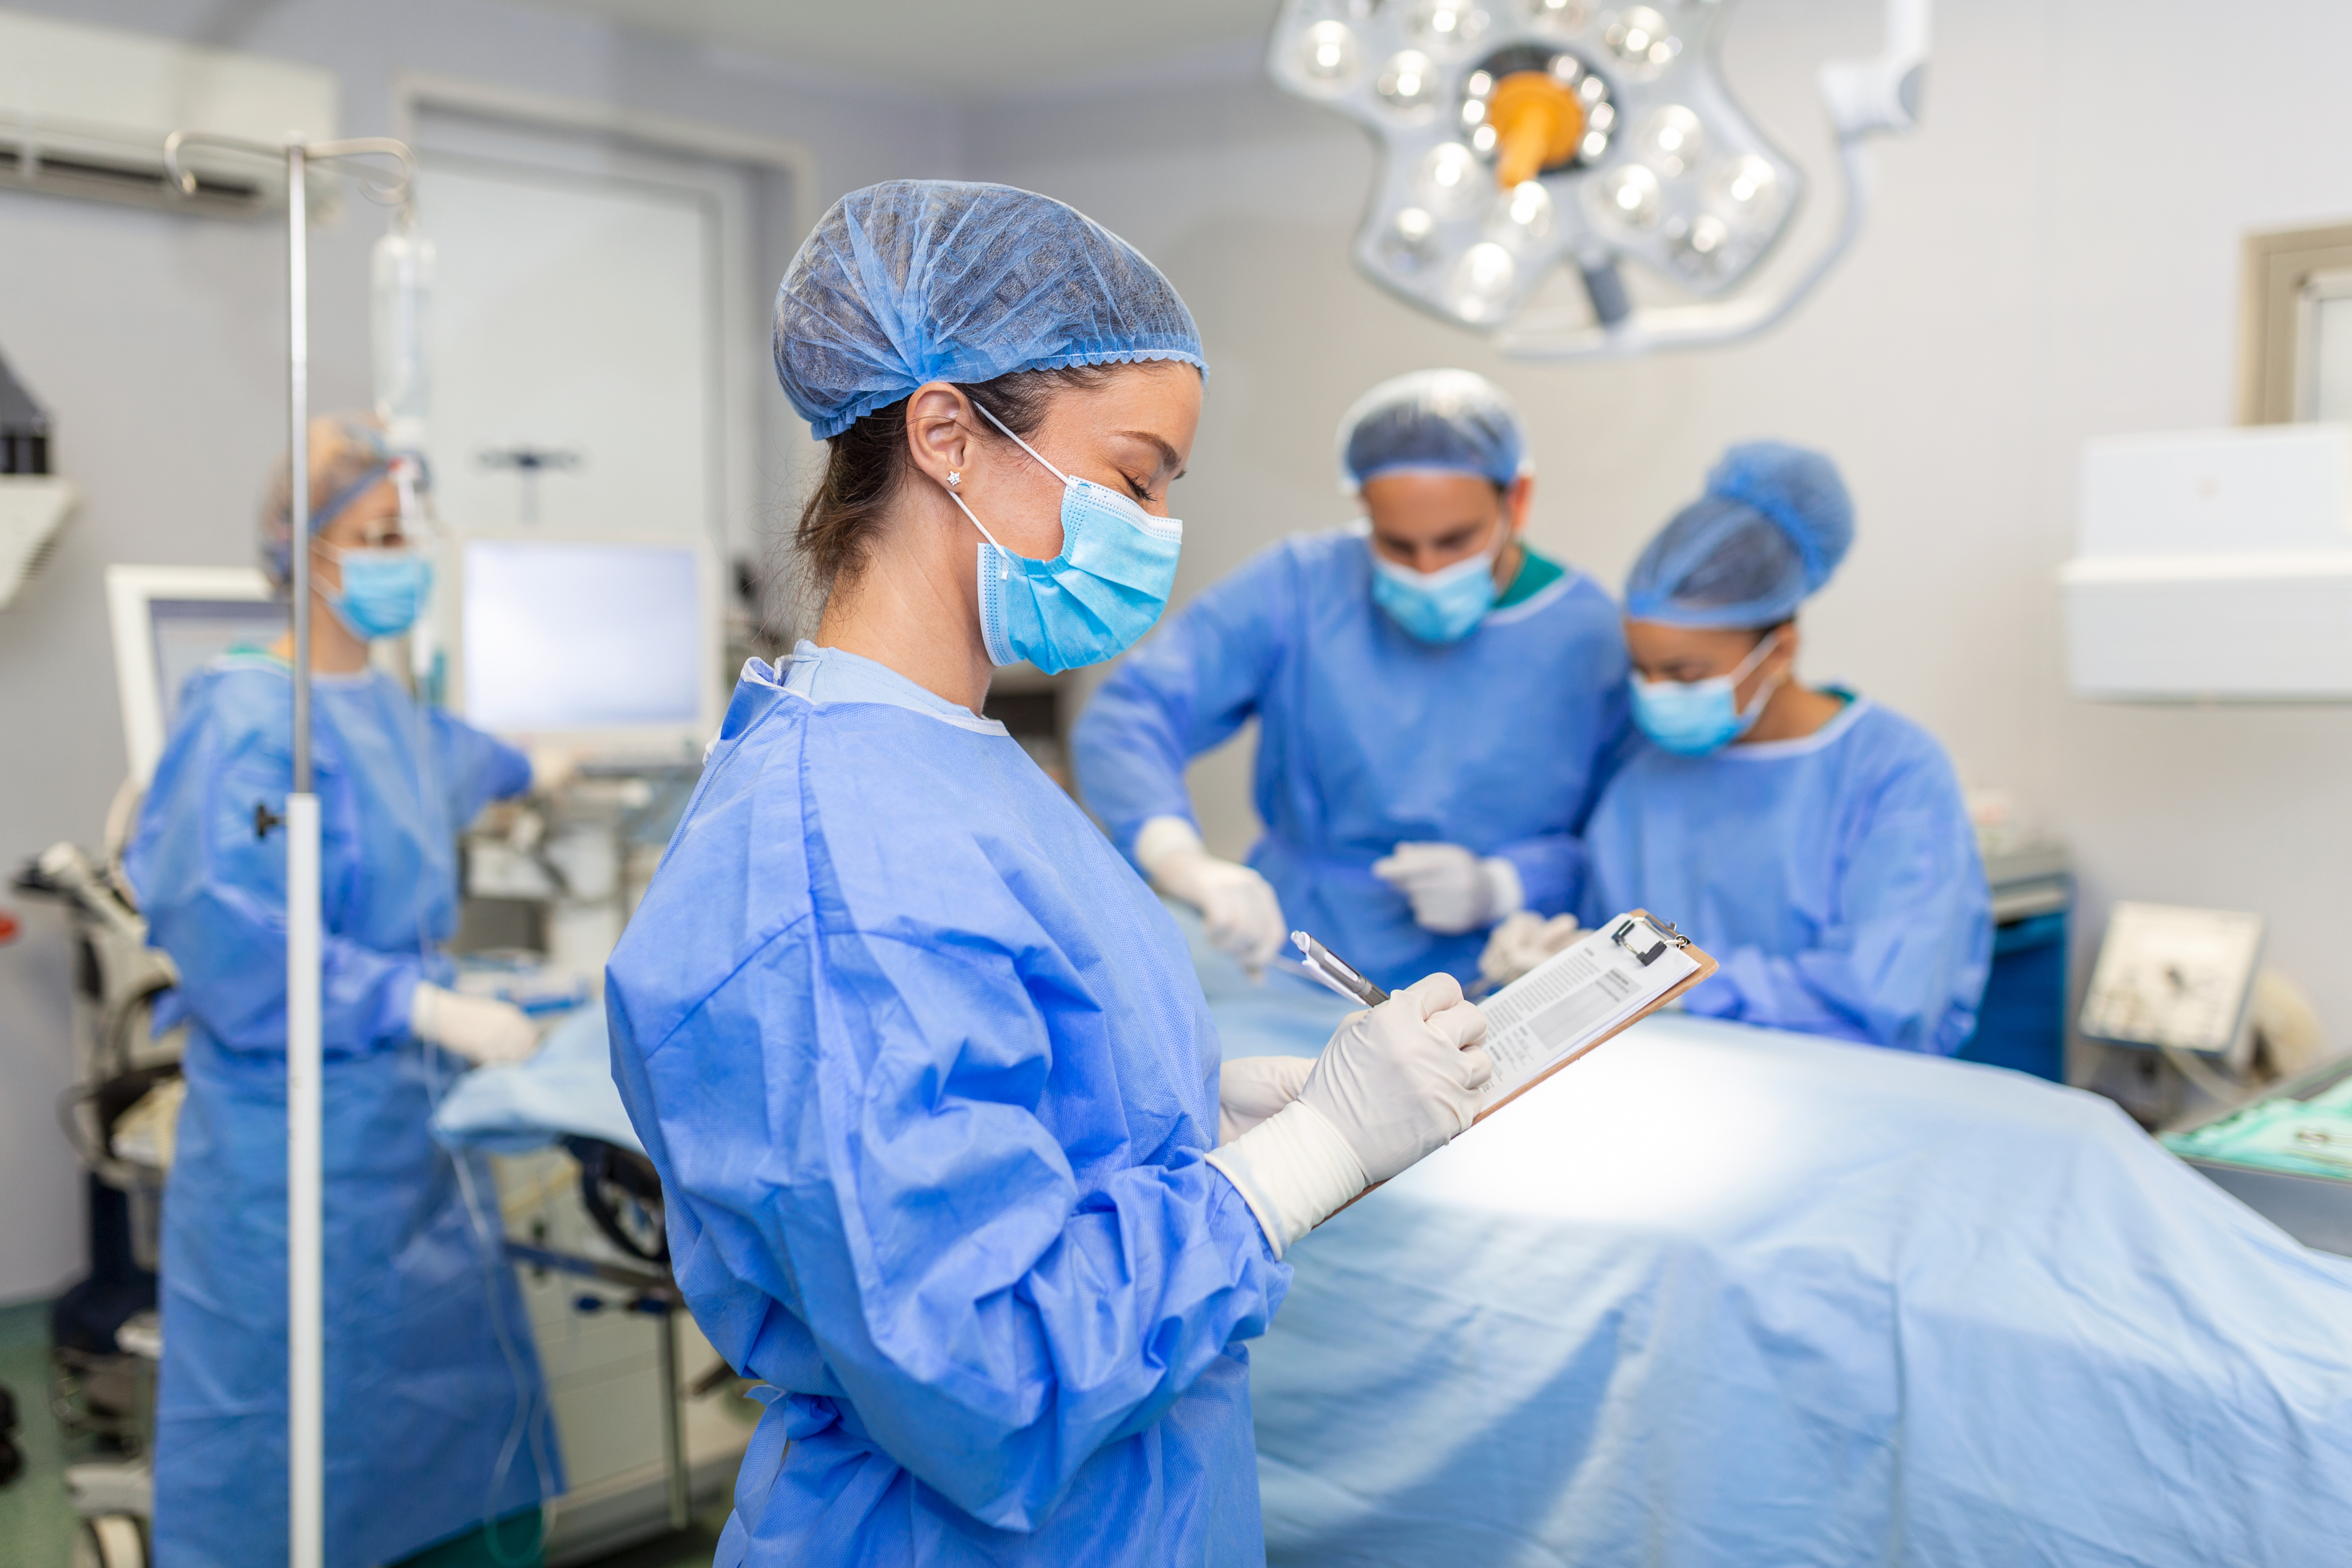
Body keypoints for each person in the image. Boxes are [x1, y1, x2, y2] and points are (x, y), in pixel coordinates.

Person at [603, 181, 1495, 1567]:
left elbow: (993, 1094)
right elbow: (980, 1376)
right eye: (1135, 476)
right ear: (947, 431)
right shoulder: (828, 850)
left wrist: (1196, 1110)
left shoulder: (964, 761)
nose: (1153, 524)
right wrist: (1297, 1166)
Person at [126, 415, 563, 1568]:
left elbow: (462, 761)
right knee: (295, 1451)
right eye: (373, 535)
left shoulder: (388, 714)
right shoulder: (246, 721)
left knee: (443, 1430)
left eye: (407, 533)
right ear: (301, 550)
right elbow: (231, 933)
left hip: (412, 1144)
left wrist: (548, 767)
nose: (396, 559)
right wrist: (423, 1006)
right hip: (295, 1159)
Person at [1070, 368, 1630, 993]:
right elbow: (1133, 715)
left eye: (1455, 541)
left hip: (1496, 982)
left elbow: (1628, 829)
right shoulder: (1301, 586)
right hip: (1299, 962)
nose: (1427, 570)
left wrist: (1507, 883)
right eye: (1397, 544)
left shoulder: (1590, 635)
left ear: (1516, 502)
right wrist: (1180, 860)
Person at [1536, 441, 1990, 1053]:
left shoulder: (1894, 772)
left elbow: (1887, 1001)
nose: (1655, 694)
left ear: (1779, 651)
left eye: (1687, 674)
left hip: (1855, 1106)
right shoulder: (1644, 784)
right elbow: (1605, 927)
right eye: (1642, 671)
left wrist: (1685, 992)